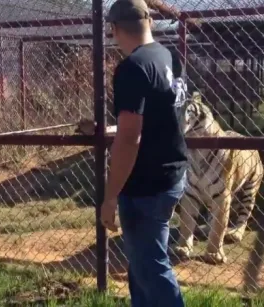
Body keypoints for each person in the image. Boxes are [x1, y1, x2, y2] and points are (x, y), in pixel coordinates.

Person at [78, 0, 188, 306]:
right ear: (149, 21)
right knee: (141, 267)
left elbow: (130, 139)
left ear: (113, 29)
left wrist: (110, 196)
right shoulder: (168, 56)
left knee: (151, 268)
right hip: (172, 173)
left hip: (146, 184)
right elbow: (156, 119)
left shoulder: (132, 67)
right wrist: (106, 130)